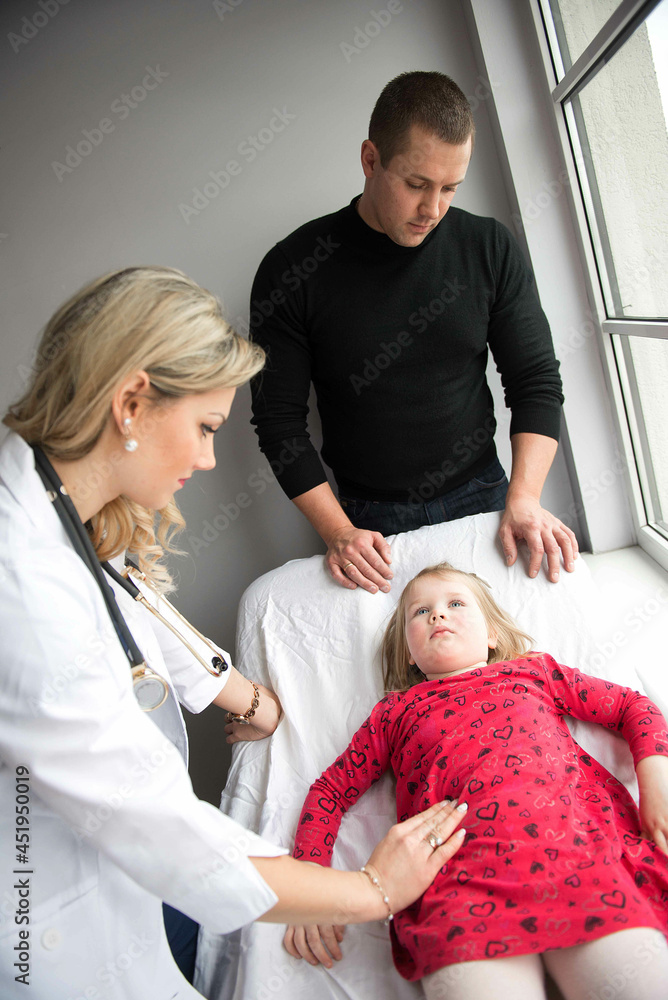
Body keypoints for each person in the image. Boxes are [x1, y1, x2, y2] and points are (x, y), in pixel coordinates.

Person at [0, 267, 468, 1000]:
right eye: (206, 429)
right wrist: (374, 889)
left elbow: (132, 617)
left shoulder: (59, 504)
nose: (209, 458)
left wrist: (252, 701)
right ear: (131, 403)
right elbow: (162, 831)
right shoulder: (19, 581)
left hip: (142, 886)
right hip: (48, 919)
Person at [249, 71, 579, 597]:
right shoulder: (292, 269)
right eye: (417, 184)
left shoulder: (489, 246)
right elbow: (279, 423)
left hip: (488, 496)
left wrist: (526, 497)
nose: (433, 210)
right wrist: (339, 532)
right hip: (367, 521)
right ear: (370, 160)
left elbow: (536, 380)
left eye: (450, 188)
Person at [284, 562, 668, 1000]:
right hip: (458, 891)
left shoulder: (533, 673)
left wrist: (656, 781)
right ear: (408, 653)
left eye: (455, 603)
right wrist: (309, 881)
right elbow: (330, 792)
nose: (437, 616)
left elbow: (632, 707)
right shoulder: (394, 713)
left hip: (576, 859)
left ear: (492, 635)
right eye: (419, 612)